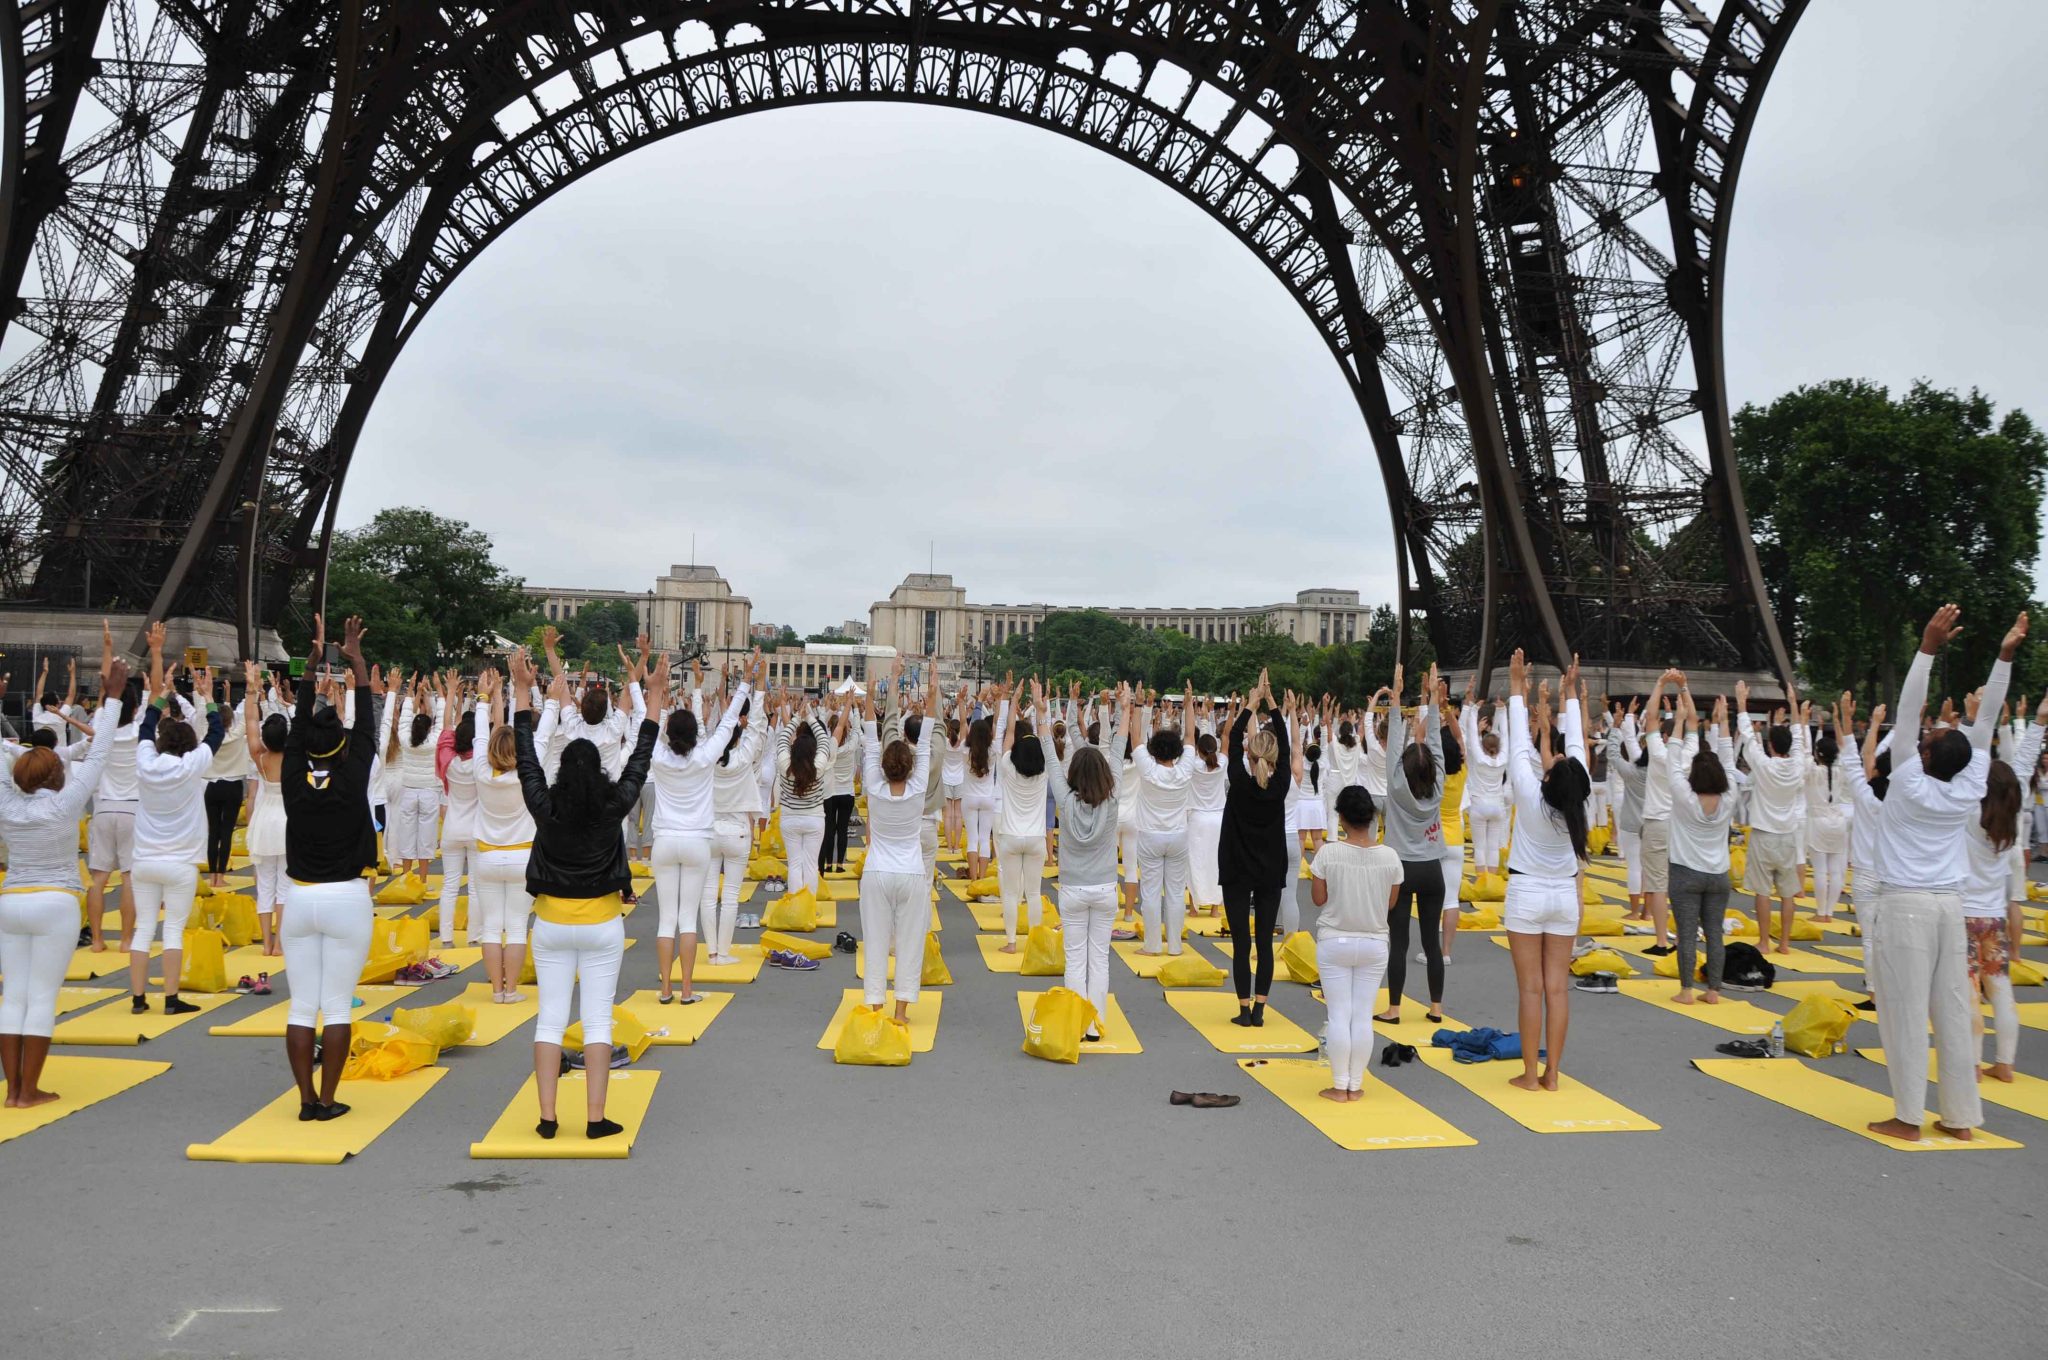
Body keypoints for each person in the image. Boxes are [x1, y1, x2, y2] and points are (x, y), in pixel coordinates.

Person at [1865, 605, 2011, 1143]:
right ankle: (1961, 1118)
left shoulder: (1906, 782)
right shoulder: (1970, 786)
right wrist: (2002, 659)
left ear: (1923, 756)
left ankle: (1907, 1116)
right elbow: (1989, 720)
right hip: (1951, 905)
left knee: (1904, 1015)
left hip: (1905, 905)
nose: (1920, 736)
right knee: (1952, 1010)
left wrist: (1926, 648)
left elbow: (1906, 713)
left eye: (1925, 739)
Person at [509, 645, 661, 1141]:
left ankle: (547, 1118)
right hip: (601, 925)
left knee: (549, 1022)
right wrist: (653, 699)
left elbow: (526, 756)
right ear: (596, 770)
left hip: (551, 925)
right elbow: (640, 758)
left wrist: (522, 693)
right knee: (598, 1023)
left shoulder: (545, 805)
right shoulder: (613, 805)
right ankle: (596, 1119)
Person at [0, 658, 125, 1105]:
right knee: (40, 998)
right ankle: (27, 1089)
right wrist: (111, 699)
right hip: (54, 903)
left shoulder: (7, 804)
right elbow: (103, 747)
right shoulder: (67, 802)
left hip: (11, 901)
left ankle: (14, 1089)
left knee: (13, 995)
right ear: (56, 774)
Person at [280, 616, 380, 1121]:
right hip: (346, 898)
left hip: (298, 898)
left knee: (302, 1006)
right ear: (341, 746)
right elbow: (368, 723)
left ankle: (303, 1100)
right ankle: (327, 1097)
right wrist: (356, 662)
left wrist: (309, 671)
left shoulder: (293, 779)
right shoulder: (353, 773)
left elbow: (297, 733)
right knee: (337, 1007)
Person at [1501, 650, 1590, 1092]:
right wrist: (1570, 696)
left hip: (1527, 894)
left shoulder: (1532, 797)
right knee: (1557, 989)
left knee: (1530, 990)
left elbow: (1519, 744)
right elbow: (1576, 751)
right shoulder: (1578, 801)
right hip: (1564, 898)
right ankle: (1553, 1074)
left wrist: (1518, 687)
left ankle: (1531, 1076)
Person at [128, 623, 225, 1015]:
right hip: (181, 862)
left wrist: (161, 692)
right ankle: (170, 999)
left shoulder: (146, 763)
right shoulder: (193, 766)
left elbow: (146, 726)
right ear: (188, 744)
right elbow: (216, 732)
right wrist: (209, 698)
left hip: (144, 860)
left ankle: (137, 1000)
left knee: (141, 929)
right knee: (172, 930)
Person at [648, 651, 754, 1003]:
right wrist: (746, 680)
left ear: (667, 733)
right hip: (696, 843)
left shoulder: (659, 757)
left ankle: (665, 989)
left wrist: (653, 691)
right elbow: (726, 726)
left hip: (664, 841)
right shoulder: (706, 756)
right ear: (695, 734)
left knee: (667, 920)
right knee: (687, 920)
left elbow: (642, 725)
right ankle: (687, 990)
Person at [1962, 681, 2044, 1084]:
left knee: (1968, 991)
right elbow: (2023, 768)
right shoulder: (2011, 821)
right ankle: (2006, 1064)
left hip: (1963, 917)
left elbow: (1966, 765)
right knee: (2000, 988)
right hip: (1994, 919)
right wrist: (2039, 724)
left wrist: (1973, 722)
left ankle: (1974, 1064)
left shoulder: (1968, 818)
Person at [1310, 784, 1402, 1102]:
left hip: (1335, 940)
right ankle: (1355, 1084)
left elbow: (1319, 899)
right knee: (1362, 1015)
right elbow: (1390, 904)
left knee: (1338, 1015)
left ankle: (1339, 1084)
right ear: (1372, 818)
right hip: (1374, 942)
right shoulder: (1390, 857)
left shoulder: (1328, 853)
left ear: (1342, 818)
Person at [1043, 679, 1121, 1038]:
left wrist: (1045, 713)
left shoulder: (1065, 798)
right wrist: (1126, 708)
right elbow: (1117, 748)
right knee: (1099, 958)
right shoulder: (1114, 798)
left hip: (1073, 888)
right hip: (1104, 887)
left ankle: (1078, 1023)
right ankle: (1095, 1024)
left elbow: (1051, 759)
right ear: (1105, 775)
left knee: (1075, 959)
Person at [855, 676, 935, 1021]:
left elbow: (871, 740)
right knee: (909, 944)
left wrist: (872, 693)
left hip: (877, 872)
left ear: (885, 768)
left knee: (875, 942)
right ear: (911, 767)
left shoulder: (874, 786)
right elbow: (928, 737)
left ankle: (876, 1005)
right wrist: (932, 695)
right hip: (911, 873)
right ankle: (900, 1011)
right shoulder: (917, 789)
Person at [1376, 664, 1448, 1024]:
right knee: (1431, 942)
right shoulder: (1438, 789)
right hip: (1433, 868)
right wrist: (1432, 699)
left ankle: (1395, 1008)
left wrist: (1397, 699)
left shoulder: (1396, 786)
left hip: (1401, 868)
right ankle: (1435, 1008)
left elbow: (1393, 748)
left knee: (1399, 942)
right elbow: (1433, 741)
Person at [1219, 670, 1291, 1025]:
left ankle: (1244, 1009)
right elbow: (1288, 747)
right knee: (1264, 942)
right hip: (1269, 870)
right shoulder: (1279, 786)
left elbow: (1231, 738)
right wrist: (1273, 704)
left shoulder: (1239, 780)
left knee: (1241, 944)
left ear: (1248, 754)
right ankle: (1260, 1009)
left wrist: (1251, 704)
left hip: (1236, 869)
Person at [1659, 683, 1734, 1004]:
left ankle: (1687, 990)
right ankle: (1714, 990)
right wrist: (1722, 723)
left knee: (1687, 933)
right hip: (1719, 874)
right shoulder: (1729, 798)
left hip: (1685, 872)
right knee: (1715, 932)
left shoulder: (1684, 797)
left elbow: (1672, 759)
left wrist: (1678, 720)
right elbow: (1729, 757)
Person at [1735, 677, 1811, 953]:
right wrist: (1793, 704)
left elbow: (1747, 738)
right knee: (1788, 892)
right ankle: (1785, 943)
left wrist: (1742, 704)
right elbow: (1801, 741)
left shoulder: (1764, 766)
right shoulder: (1797, 766)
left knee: (1763, 891)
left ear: (1770, 745)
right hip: (1788, 836)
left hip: (1764, 835)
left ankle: (1765, 941)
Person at [472, 669, 533, 1003]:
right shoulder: (527, 775)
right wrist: (523, 690)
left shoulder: (481, 772)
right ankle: (512, 990)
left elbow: (481, 738)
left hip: (487, 857)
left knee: (492, 927)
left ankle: (497, 990)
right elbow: (535, 736)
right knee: (518, 925)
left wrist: (484, 698)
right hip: (522, 856)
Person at [1128, 682, 1199, 958]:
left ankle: (1153, 945)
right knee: (1175, 892)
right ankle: (1176, 946)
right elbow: (1191, 734)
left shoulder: (1148, 768)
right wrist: (1189, 704)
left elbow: (1135, 737)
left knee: (1151, 890)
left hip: (1150, 835)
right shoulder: (1184, 769)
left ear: (1154, 749)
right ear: (1177, 751)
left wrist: (1137, 705)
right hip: (1178, 835)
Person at [84, 623, 141, 952]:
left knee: (99, 878)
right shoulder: (139, 733)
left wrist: (107, 648)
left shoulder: (102, 728)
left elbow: (108, 694)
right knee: (130, 878)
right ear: (135, 709)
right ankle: (126, 939)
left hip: (104, 807)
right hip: (133, 808)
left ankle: (97, 939)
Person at [989, 678, 1050, 951]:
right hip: (1036, 838)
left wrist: (1013, 703)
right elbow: (1046, 739)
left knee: (1012, 893)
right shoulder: (1045, 771)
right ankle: (1035, 943)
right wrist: (1039, 710)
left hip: (1011, 836)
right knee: (1034, 893)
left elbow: (1008, 737)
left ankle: (1012, 942)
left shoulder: (1007, 768)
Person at [241, 662, 289, 957]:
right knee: (284, 886)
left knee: (265, 887)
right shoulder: (294, 758)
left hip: (264, 821)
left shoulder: (259, 758)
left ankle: (266, 943)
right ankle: (280, 944)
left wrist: (251, 689)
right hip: (286, 821)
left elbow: (249, 723)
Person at [774, 696, 840, 898]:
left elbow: (783, 738)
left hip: (790, 819)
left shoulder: (785, 765)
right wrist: (810, 716)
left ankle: (795, 905)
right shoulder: (818, 767)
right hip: (814, 819)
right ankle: (809, 907)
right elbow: (823, 741)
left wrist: (796, 717)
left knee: (794, 864)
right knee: (811, 864)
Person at [434, 669, 479, 949]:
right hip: (476, 829)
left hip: (451, 827)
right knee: (475, 887)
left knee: (450, 885)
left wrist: (450, 693)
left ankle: (447, 937)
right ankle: (474, 935)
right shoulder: (481, 763)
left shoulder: (449, 761)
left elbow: (445, 729)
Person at [384, 673, 444, 880]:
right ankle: (423, 879)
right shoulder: (434, 741)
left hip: (408, 790)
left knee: (407, 834)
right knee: (427, 837)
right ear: (429, 729)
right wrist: (437, 693)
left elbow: (405, 717)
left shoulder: (404, 739)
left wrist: (411, 691)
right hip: (428, 792)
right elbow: (442, 720)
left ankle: (406, 878)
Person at [201, 676, 249, 890]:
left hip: (212, 785)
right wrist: (252, 688)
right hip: (233, 786)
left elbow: (205, 716)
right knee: (227, 831)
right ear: (231, 722)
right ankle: (221, 875)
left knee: (213, 831)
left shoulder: (210, 737)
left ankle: (212, 876)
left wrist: (206, 695)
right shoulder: (238, 734)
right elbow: (248, 715)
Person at [1805, 723, 1851, 922]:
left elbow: (1804, 753)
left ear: (1819, 754)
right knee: (1836, 869)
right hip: (1838, 820)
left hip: (1819, 821)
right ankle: (1829, 913)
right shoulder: (1841, 771)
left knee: (1821, 869)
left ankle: (1821, 911)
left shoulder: (1813, 772)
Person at [1460, 689, 1508, 878]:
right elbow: (1506, 737)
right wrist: (1503, 713)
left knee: (1479, 846)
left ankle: (1482, 882)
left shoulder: (1479, 758)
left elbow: (1472, 737)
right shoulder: (1503, 759)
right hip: (1497, 805)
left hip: (1479, 804)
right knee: (1493, 846)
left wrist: (1473, 711)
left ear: (1483, 746)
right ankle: (1494, 881)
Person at [1187, 718, 1228, 918]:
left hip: (1197, 819)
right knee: (1217, 862)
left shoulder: (1193, 765)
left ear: (1198, 749)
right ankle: (1215, 908)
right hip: (1218, 819)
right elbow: (1227, 737)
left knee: (1195, 862)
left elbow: (1187, 737)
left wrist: (1190, 708)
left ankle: (1194, 907)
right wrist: (1231, 712)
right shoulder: (1222, 763)